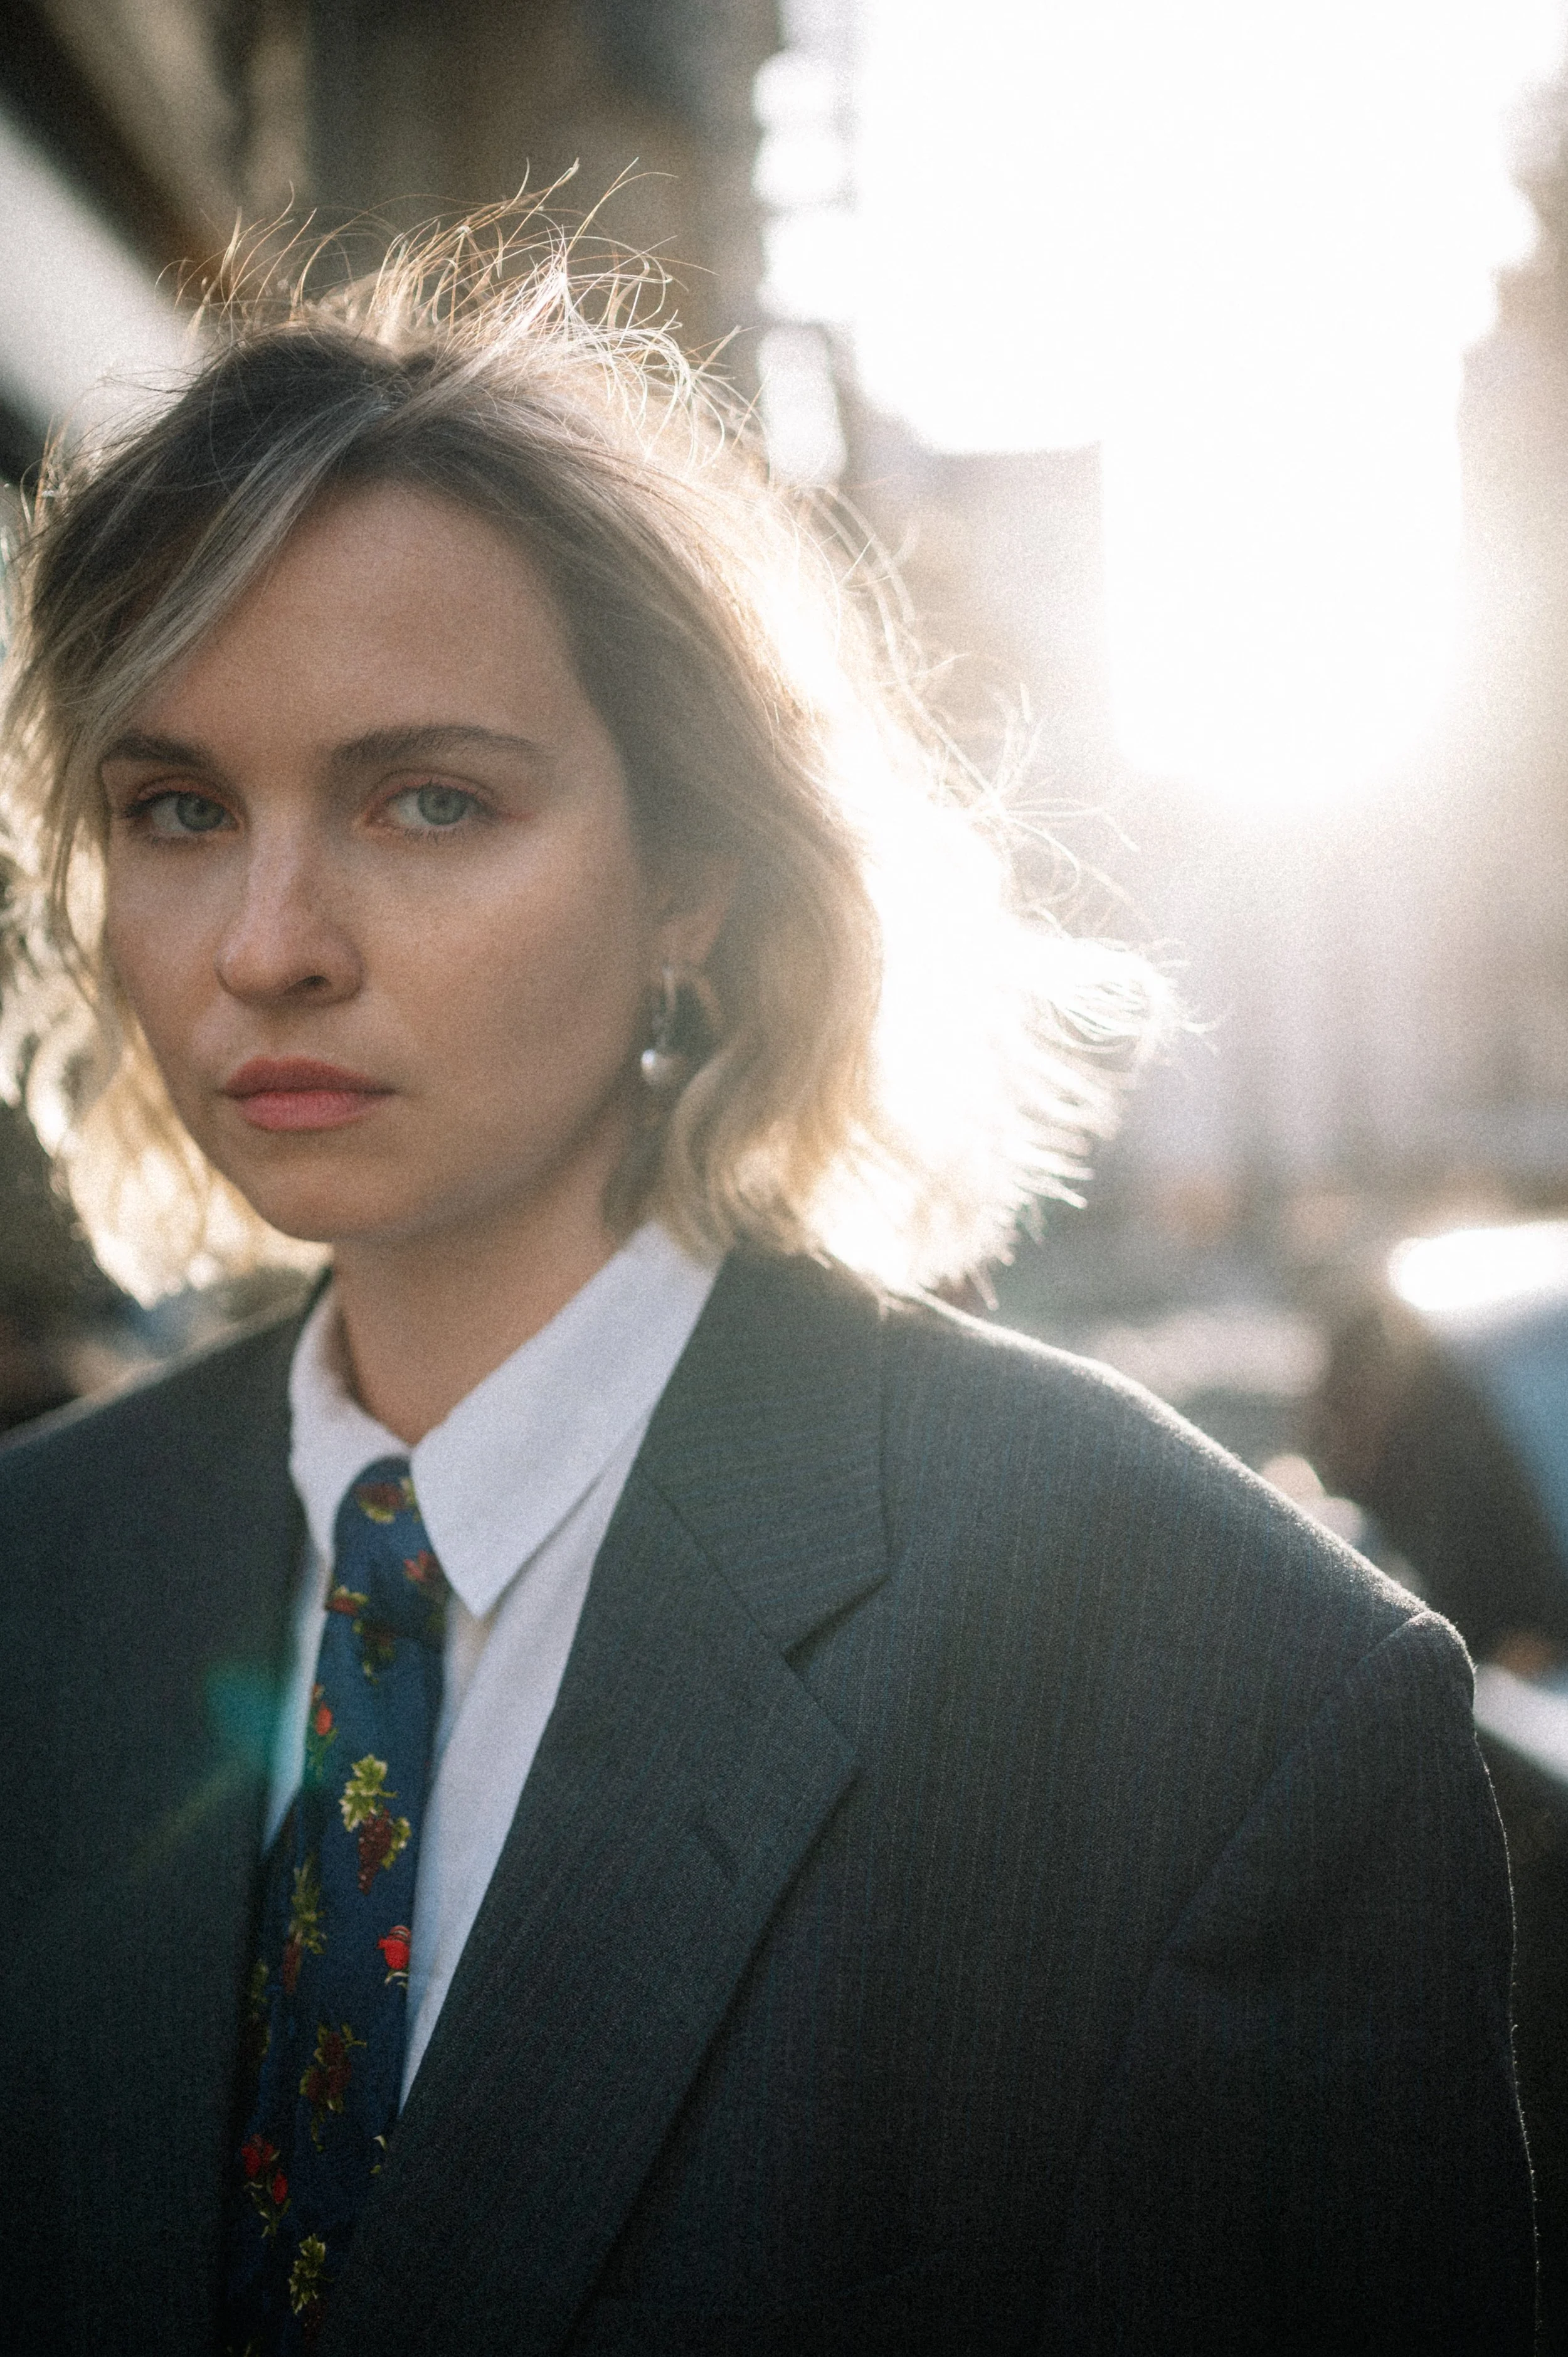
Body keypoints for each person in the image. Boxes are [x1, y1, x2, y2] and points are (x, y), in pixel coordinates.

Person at [0, 221, 1534, 2357]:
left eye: (426, 800)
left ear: (697, 883)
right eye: (176, 806)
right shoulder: (32, 1578)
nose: (268, 941)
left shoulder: (1209, 1688)